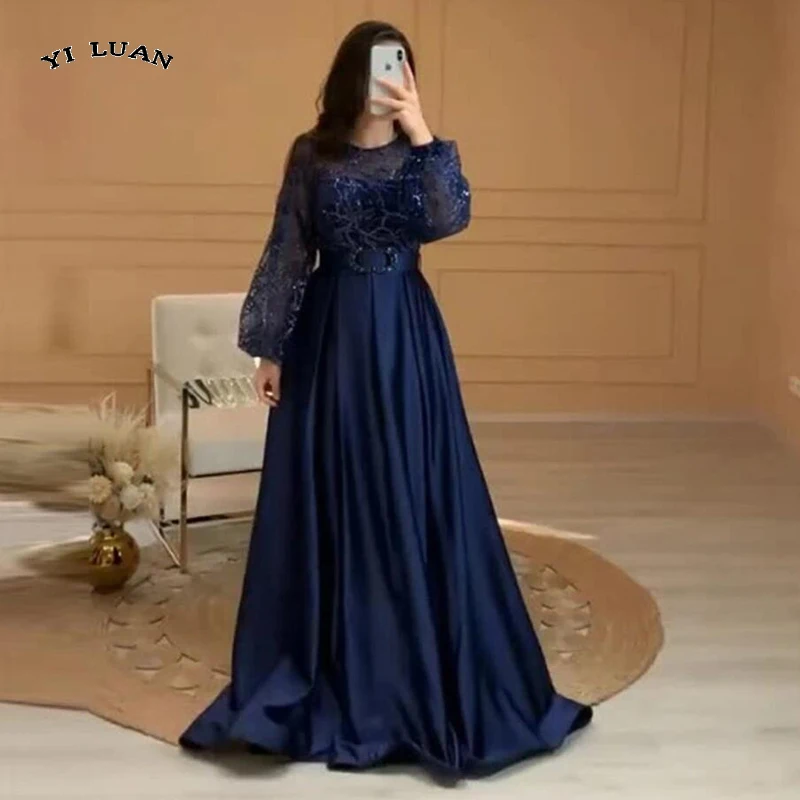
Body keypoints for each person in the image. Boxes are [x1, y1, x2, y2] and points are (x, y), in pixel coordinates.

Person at [179, 19, 592, 779]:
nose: (387, 77)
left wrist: (422, 127)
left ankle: (414, 663)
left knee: (411, 482)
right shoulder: (313, 152)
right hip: (330, 334)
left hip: (403, 336)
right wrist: (271, 348)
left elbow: (449, 217)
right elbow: (288, 246)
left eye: (399, 65)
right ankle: (327, 659)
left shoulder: (417, 155)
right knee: (332, 488)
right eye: (376, 65)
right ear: (350, 73)